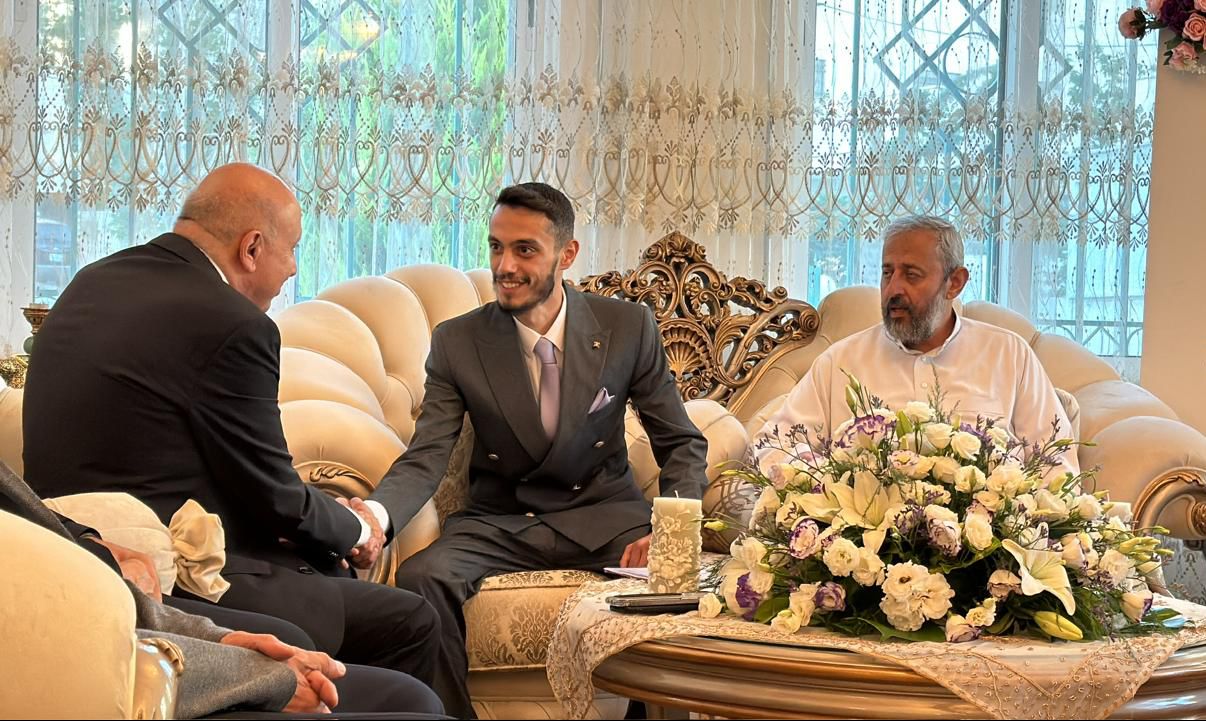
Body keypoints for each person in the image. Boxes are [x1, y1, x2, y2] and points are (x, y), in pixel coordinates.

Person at [21, 163, 444, 700]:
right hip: (174, 574)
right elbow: (275, 497)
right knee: (411, 619)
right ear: (252, 248)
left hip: (68, 552)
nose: (293, 268)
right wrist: (358, 531)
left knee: (326, 564)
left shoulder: (91, 281)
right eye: (292, 249)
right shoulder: (233, 323)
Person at [364, 182, 710, 718]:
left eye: (525, 249)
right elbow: (427, 453)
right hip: (502, 522)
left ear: (566, 255)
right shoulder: (458, 341)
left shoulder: (627, 327)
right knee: (422, 577)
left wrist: (669, 529)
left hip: (605, 515)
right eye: (496, 247)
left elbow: (680, 440)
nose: (505, 266)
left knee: (676, 574)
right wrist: (375, 517)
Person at [0, 461, 446, 719]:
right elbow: (51, 645)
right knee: (407, 629)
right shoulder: (226, 333)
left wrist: (220, 638)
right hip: (116, 683)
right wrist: (256, 676)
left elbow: (56, 553)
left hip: (125, 625)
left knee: (409, 694)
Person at [756, 214, 1078, 475]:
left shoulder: (1009, 355)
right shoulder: (841, 362)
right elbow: (771, 448)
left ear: (954, 283)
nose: (893, 289)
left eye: (911, 275)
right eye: (887, 273)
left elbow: (1056, 464)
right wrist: (830, 483)